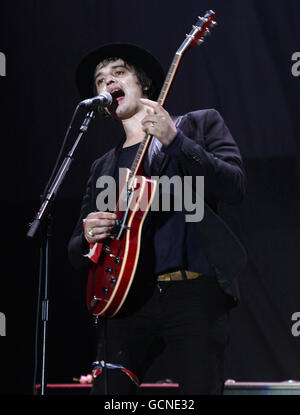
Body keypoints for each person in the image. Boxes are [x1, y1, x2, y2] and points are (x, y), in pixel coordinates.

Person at [68, 43, 247, 395]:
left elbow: (234, 186)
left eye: (118, 73)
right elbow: (75, 251)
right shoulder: (102, 167)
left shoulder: (198, 125)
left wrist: (176, 141)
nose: (108, 82)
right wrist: (88, 235)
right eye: (100, 79)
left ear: (143, 84)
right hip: (127, 300)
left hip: (193, 290)